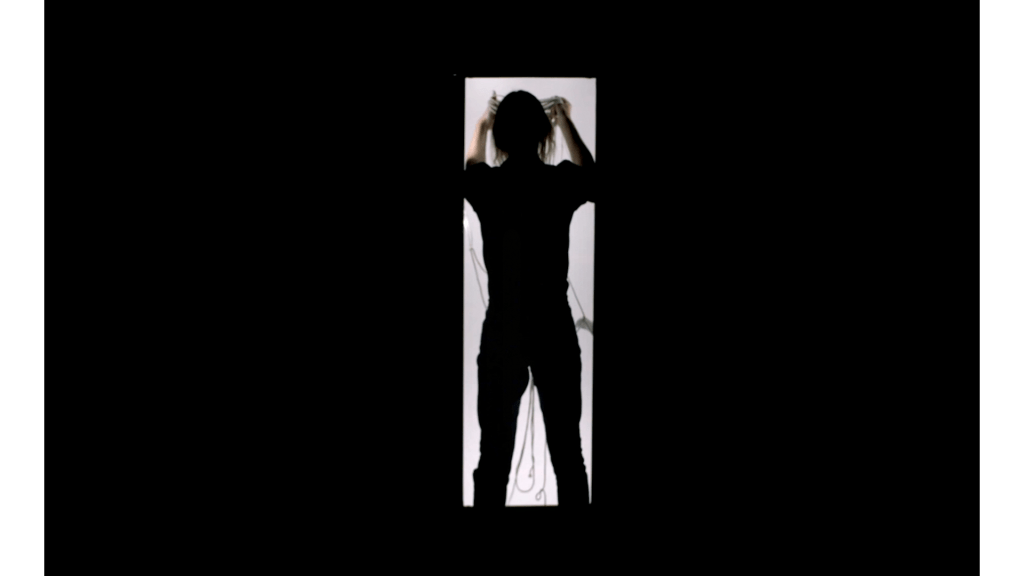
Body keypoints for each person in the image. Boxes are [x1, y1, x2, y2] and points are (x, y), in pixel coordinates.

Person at [463, 90, 596, 507]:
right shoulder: (559, 182)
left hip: (503, 329)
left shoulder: (490, 186)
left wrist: (483, 125)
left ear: (501, 138)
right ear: (542, 135)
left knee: (493, 459)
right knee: (569, 457)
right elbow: (592, 178)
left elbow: (471, 168)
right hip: (553, 326)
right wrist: (564, 121)